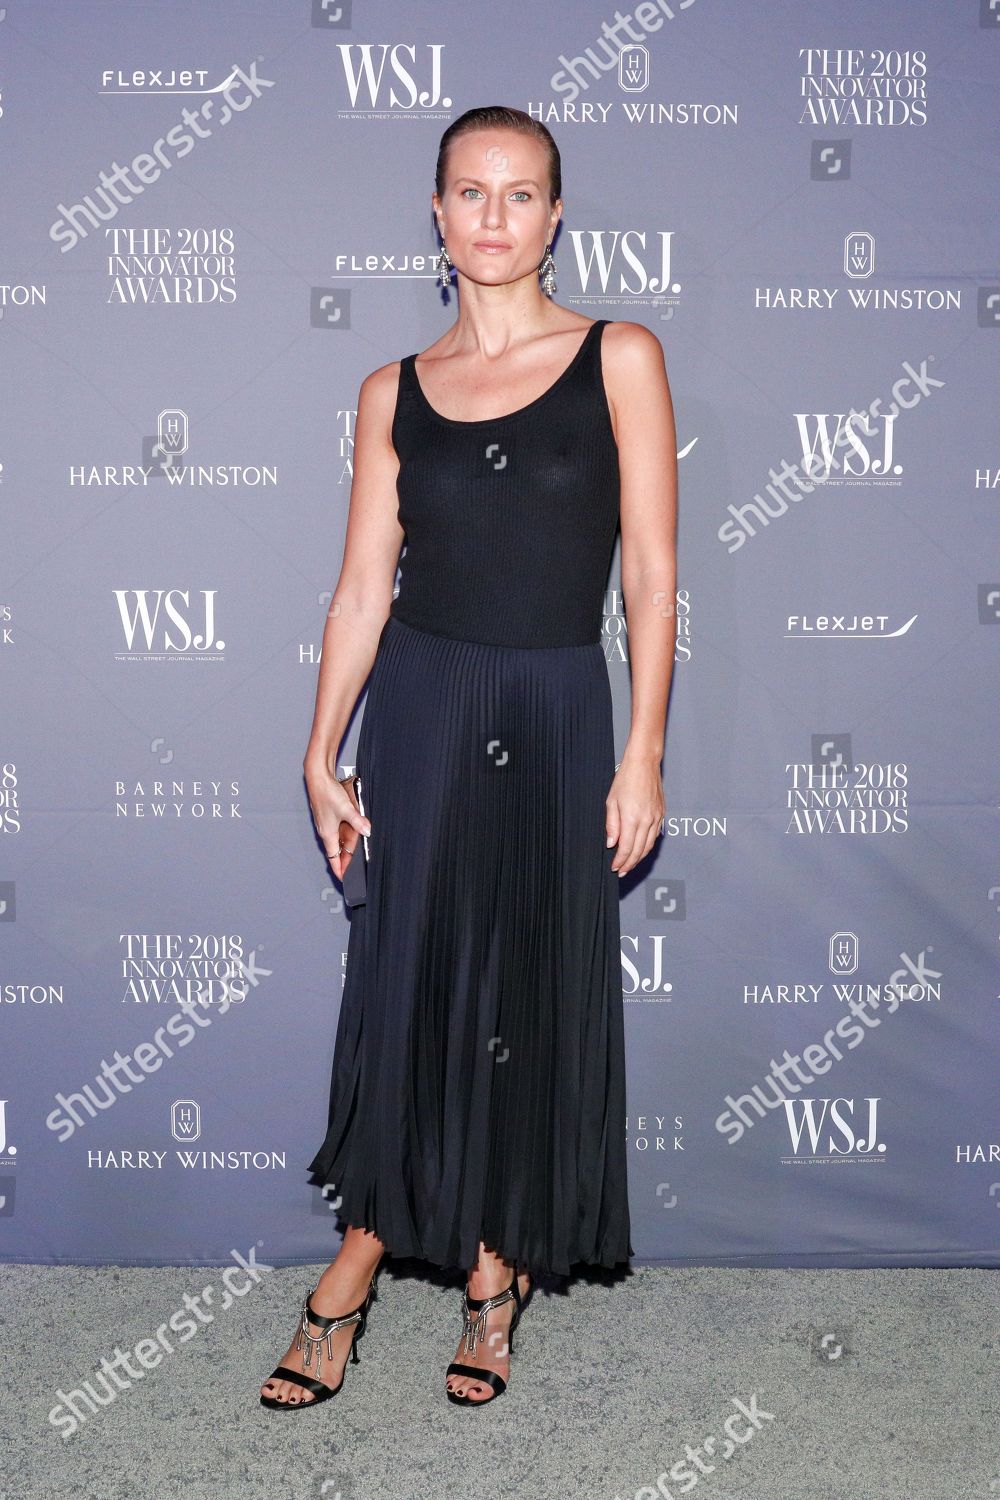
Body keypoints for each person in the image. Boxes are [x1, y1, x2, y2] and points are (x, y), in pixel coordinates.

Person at [260, 104, 677, 1411]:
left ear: (555, 216)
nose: (495, 216)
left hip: (553, 708)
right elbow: (360, 589)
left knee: (525, 981)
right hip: (426, 707)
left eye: (521, 193)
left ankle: (499, 1269)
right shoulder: (391, 390)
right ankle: (364, 1246)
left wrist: (644, 751)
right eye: (471, 192)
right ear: (436, 215)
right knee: (410, 975)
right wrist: (320, 750)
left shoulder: (620, 357)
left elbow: (652, 580)